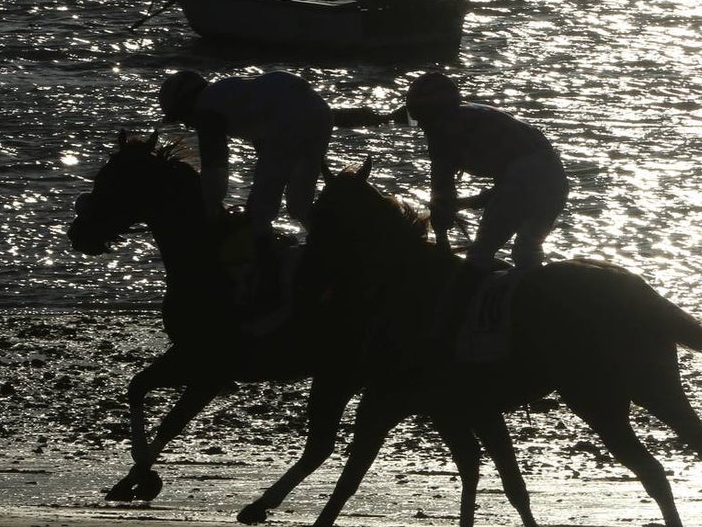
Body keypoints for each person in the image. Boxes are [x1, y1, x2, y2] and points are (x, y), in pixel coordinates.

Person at [158, 69, 405, 313]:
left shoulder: (206, 109)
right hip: (318, 111)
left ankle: (267, 283)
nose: (187, 124)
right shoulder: (232, 94)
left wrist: (211, 206)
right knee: (299, 204)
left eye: (181, 118)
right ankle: (332, 251)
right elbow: (266, 146)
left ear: (186, 105)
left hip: (291, 116)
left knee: (261, 212)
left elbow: (215, 167)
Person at [404, 71, 569, 357]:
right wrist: (483, 198)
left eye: (420, 117)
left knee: (480, 255)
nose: (421, 126)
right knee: (527, 253)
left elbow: (442, 189)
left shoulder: (440, 130)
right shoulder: (477, 113)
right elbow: (514, 167)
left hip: (523, 176)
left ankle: (444, 333)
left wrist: (441, 234)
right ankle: (539, 317)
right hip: (553, 173)